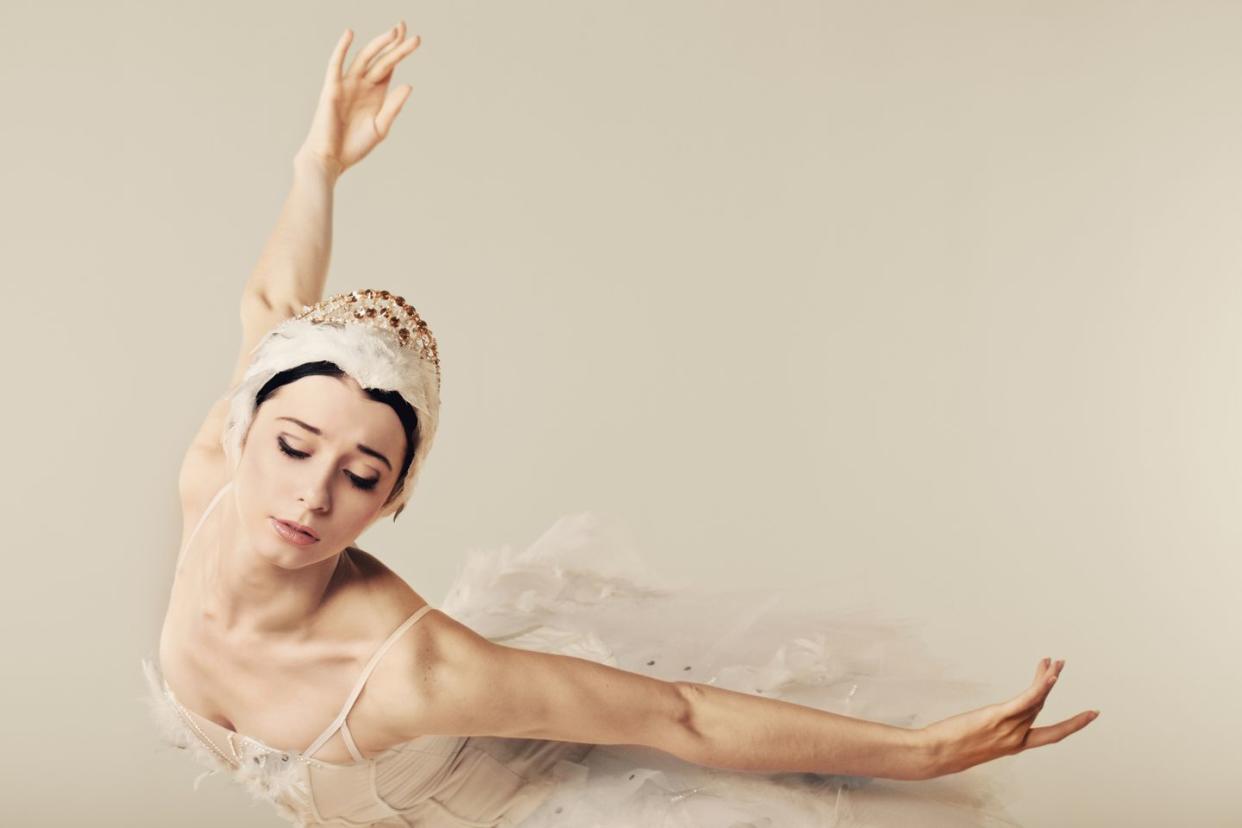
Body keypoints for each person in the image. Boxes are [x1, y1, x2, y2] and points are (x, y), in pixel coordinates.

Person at [140, 22, 1097, 827]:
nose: (311, 493)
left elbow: (677, 717)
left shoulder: (417, 673)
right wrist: (318, 165)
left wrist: (921, 752)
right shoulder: (207, 479)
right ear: (241, 430)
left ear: (393, 501)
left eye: (360, 476)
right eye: (295, 446)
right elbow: (274, 296)